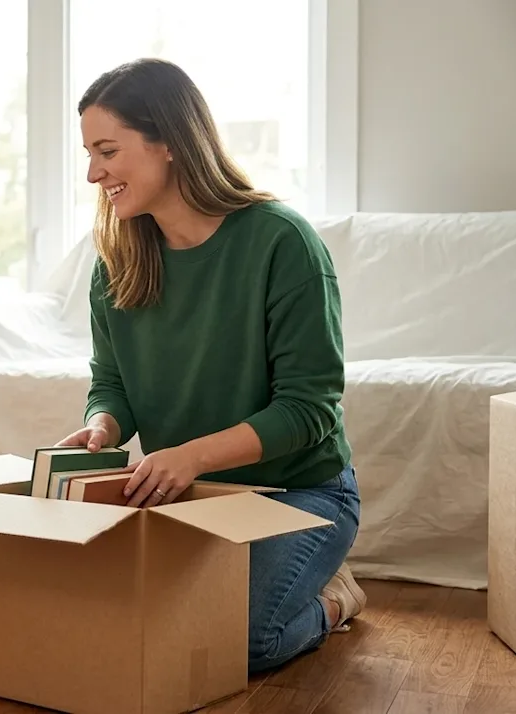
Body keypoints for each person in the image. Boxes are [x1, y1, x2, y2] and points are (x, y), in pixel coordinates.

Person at [56, 58, 366, 673]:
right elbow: (112, 383)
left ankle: (334, 600)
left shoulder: (282, 241)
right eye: (89, 154)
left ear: (168, 141)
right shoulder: (116, 260)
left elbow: (309, 410)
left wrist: (190, 454)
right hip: (193, 497)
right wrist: (104, 426)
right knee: (117, 623)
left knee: (239, 641)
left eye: (107, 150)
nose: (94, 173)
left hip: (299, 491)